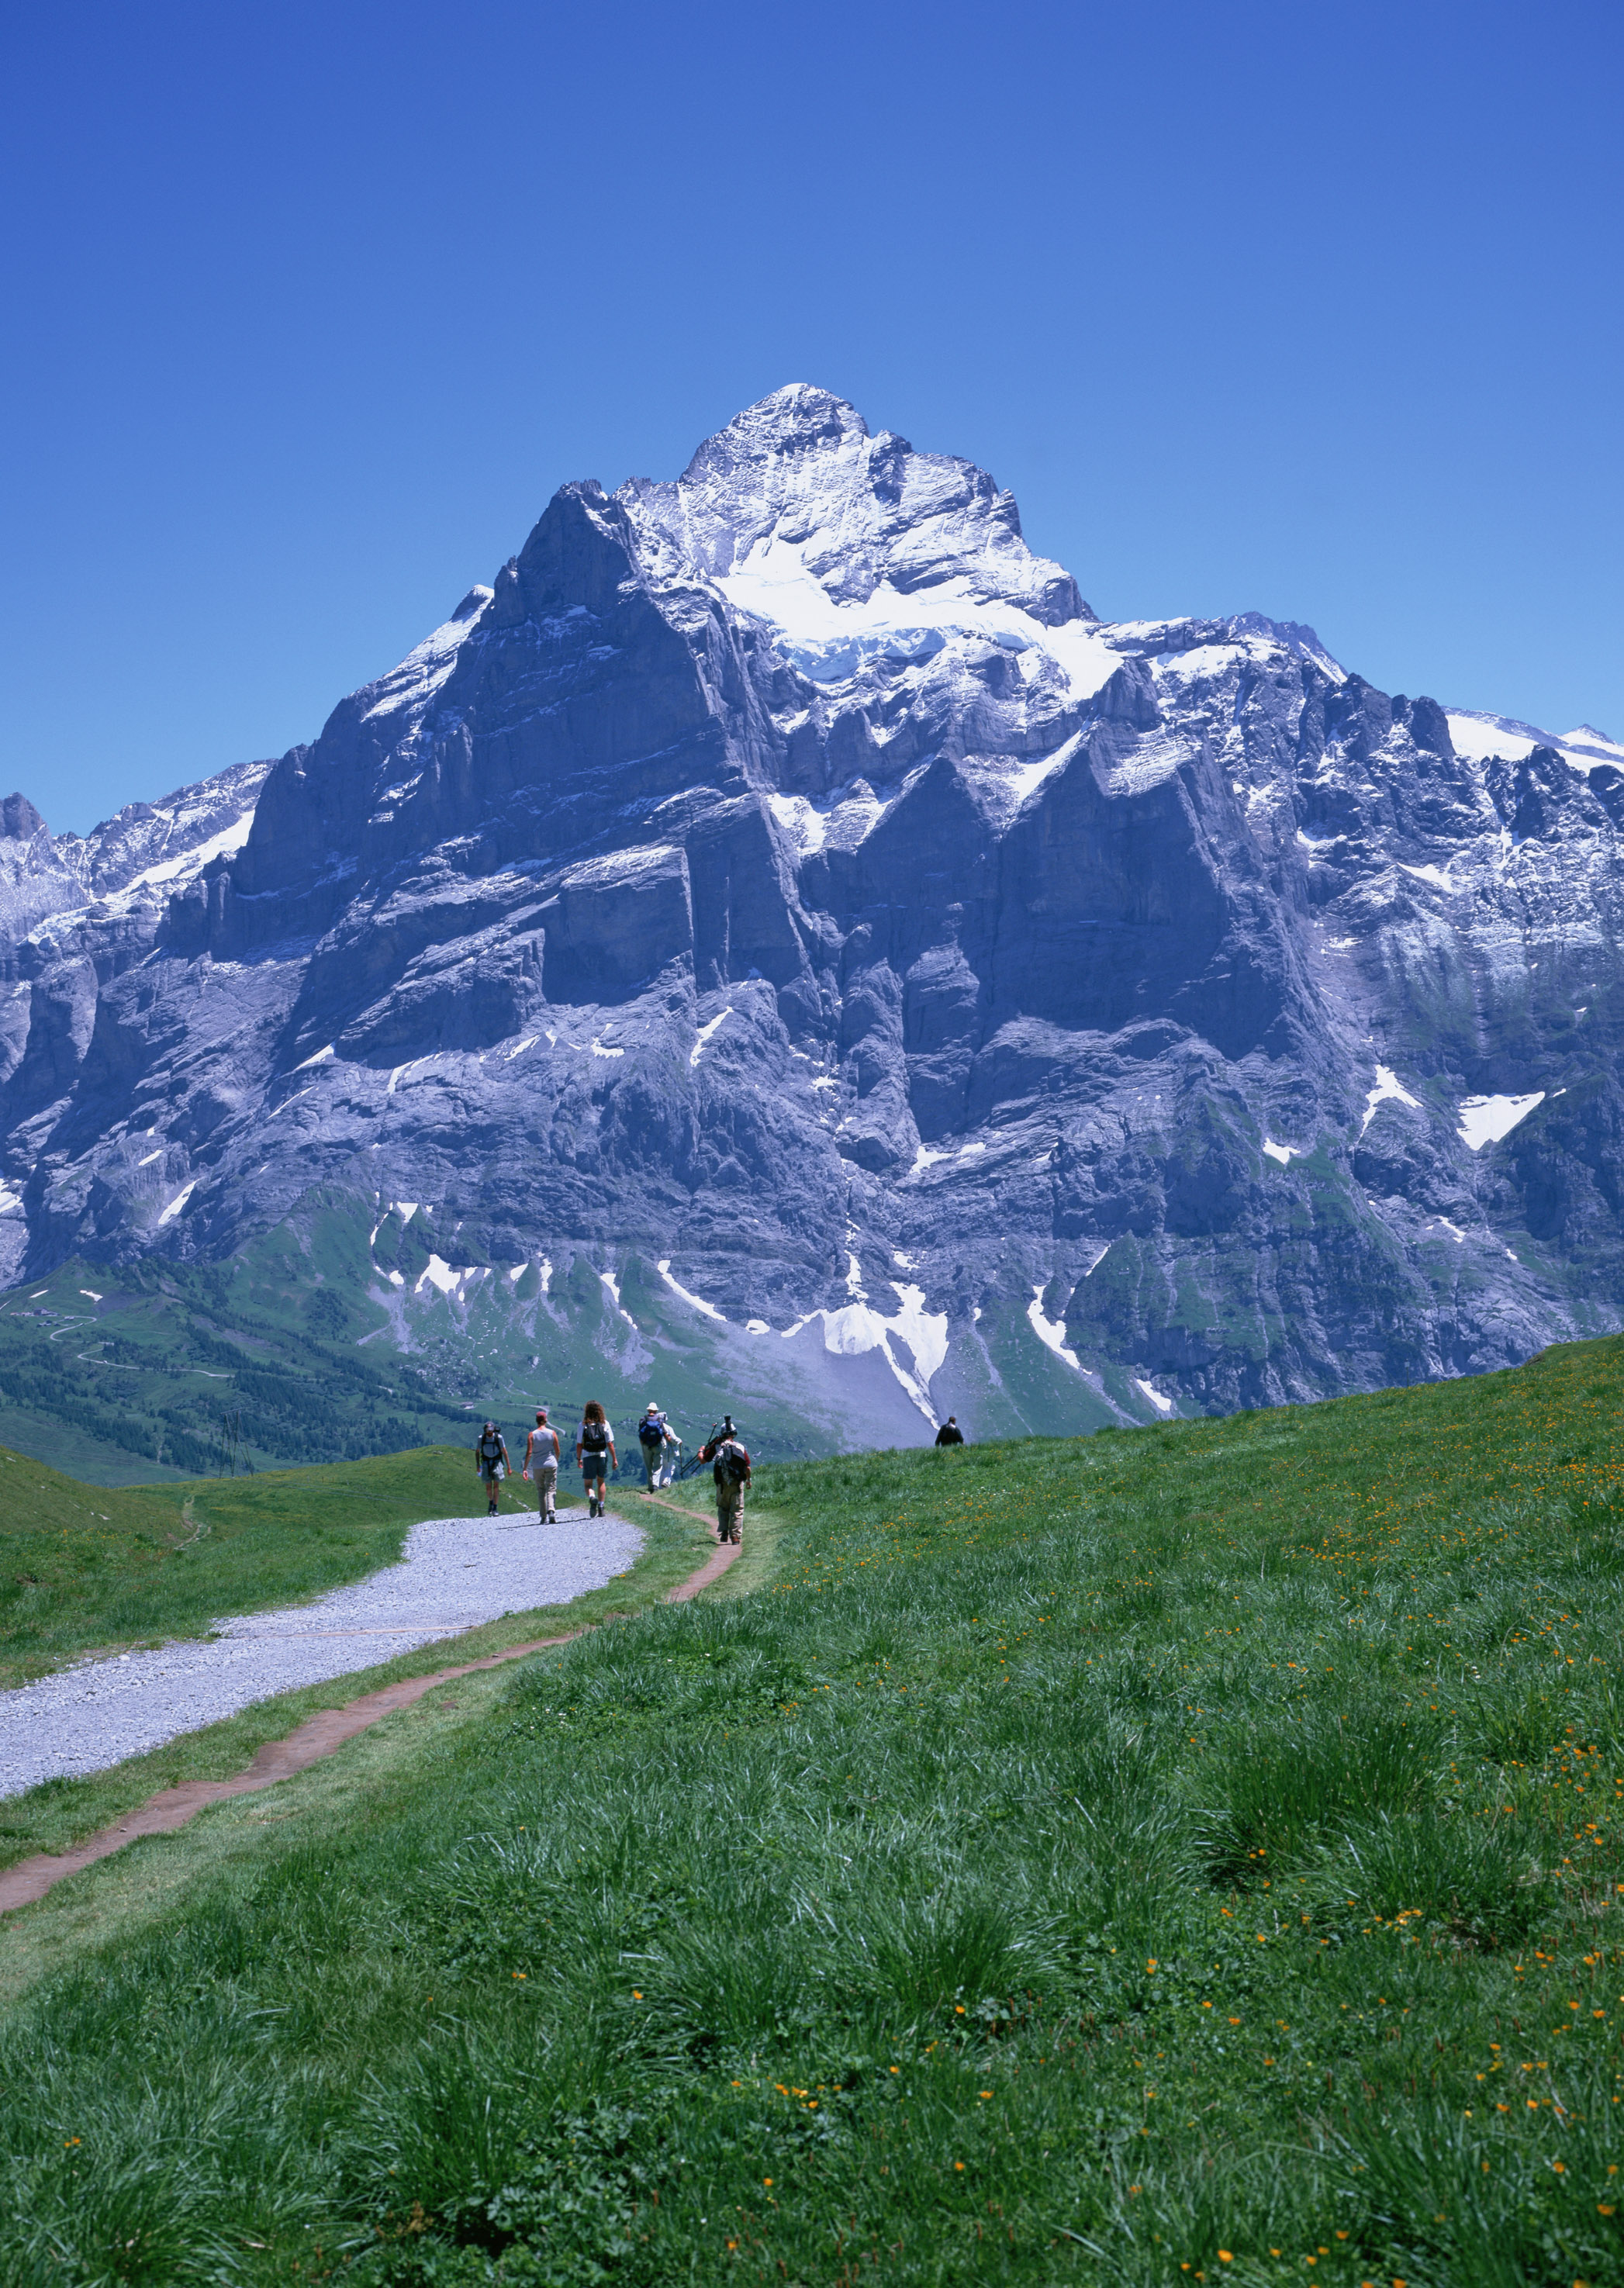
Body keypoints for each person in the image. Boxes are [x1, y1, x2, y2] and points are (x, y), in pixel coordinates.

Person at [698, 1415, 752, 1545]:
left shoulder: (717, 1447)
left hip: (721, 1483)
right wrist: (748, 1480)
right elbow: (747, 1467)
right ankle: (735, 1537)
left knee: (723, 1507)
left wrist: (701, 1451)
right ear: (734, 1434)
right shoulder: (740, 1447)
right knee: (737, 1510)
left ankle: (724, 1533)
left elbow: (703, 1460)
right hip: (737, 1483)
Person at [576, 1400, 617, 1520]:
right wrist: (614, 1459)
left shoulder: (582, 1425)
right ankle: (601, 1507)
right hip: (602, 1455)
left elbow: (579, 1444)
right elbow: (610, 1444)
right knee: (601, 1482)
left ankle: (592, 1497)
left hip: (588, 1456)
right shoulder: (605, 1424)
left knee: (588, 1484)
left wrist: (579, 1459)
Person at [523, 1407, 560, 1522]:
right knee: (551, 1488)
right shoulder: (552, 1433)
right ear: (545, 1420)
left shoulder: (532, 1435)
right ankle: (551, 1511)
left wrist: (525, 1468)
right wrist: (556, 1461)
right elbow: (557, 1450)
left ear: (536, 1420)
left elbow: (529, 1453)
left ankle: (543, 1517)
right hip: (551, 1463)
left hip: (538, 1465)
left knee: (541, 1490)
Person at [636, 1401, 679, 1492]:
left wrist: (643, 1444)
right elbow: (665, 1434)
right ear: (656, 1411)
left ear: (648, 1410)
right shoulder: (659, 1420)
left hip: (646, 1446)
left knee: (648, 1466)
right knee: (657, 1466)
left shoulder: (643, 1419)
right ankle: (655, 1485)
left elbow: (640, 1433)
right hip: (657, 1446)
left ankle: (650, 1486)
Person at [475, 1420, 511, 1514]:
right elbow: (477, 1451)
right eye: (488, 1430)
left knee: (496, 1486)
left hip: (497, 1461)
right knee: (488, 1486)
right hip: (486, 1461)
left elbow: (504, 1451)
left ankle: (495, 1507)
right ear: (485, 1430)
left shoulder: (498, 1438)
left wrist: (509, 1467)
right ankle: (491, 1502)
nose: (489, 1432)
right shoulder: (481, 1438)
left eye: (491, 1429)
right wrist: (478, 1465)